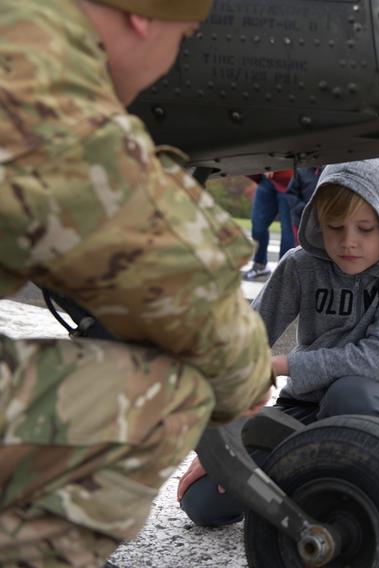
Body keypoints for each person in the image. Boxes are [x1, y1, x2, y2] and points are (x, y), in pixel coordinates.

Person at [0, 1, 274, 566]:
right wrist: (248, 380)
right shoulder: (33, 60)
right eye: (184, 35)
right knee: (165, 400)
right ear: (145, 18)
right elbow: (176, 277)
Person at [177, 157, 379, 526]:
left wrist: (278, 365)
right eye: (334, 227)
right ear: (316, 220)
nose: (348, 242)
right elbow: (245, 341)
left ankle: (342, 491)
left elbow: (376, 361)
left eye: (366, 228)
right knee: (204, 503)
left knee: (350, 395)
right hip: (304, 402)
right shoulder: (301, 264)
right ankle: (306, 480)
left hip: (378, 399)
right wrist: (220, 440)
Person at [243, 169, 296, 280]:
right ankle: (260, 265)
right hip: (267, 178)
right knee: (258, 225)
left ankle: (283, 274)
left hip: (290, 179)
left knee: (288, 232)